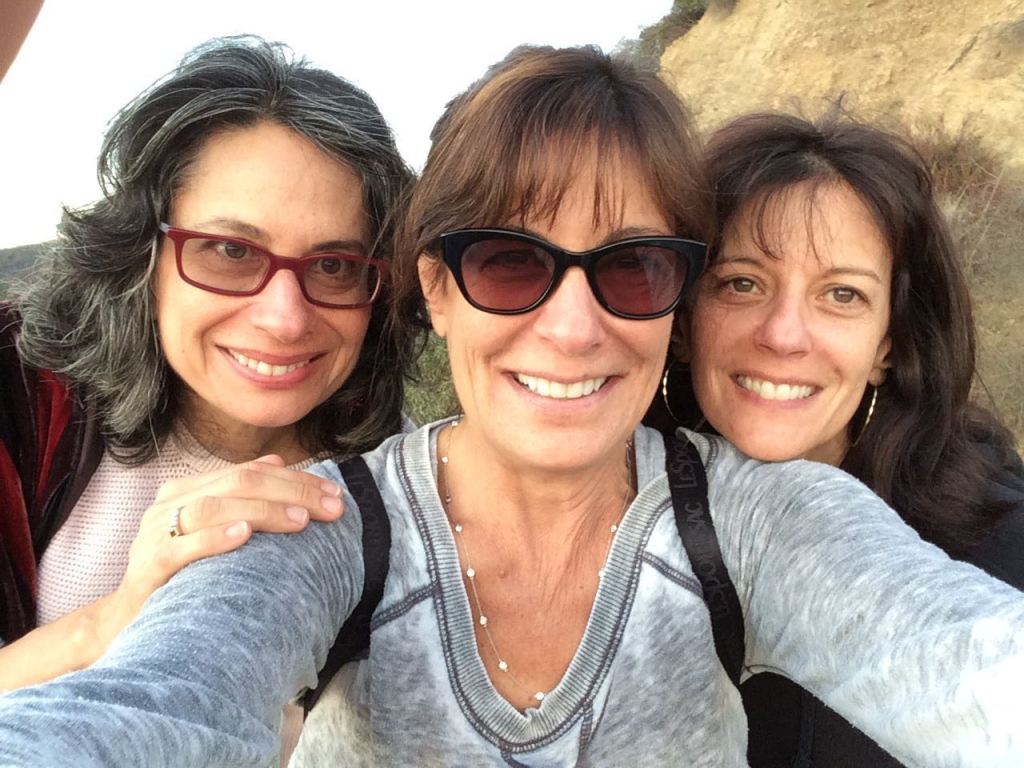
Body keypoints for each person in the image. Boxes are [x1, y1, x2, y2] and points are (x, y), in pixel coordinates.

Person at [1, 45, 1023, 767]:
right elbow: (144, 713)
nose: (573, 326)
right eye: (507, 262)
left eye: (630, 267)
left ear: (677, 295)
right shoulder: (304, 527)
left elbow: (976, 668)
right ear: (434, 289)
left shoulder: (758, 518)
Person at [0, 35, 413, 692]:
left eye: (334, 266)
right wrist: (109, 623)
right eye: (229, 251)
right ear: (145, 255)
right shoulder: (21, 400)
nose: (284, 318)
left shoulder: (408, 484)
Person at [649, 111, 1024, 766]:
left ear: (887, 344)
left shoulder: (999, 553)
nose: (785, 334)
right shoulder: (619, 525)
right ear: (683, 322)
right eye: (742, 283)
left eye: (842, 295)